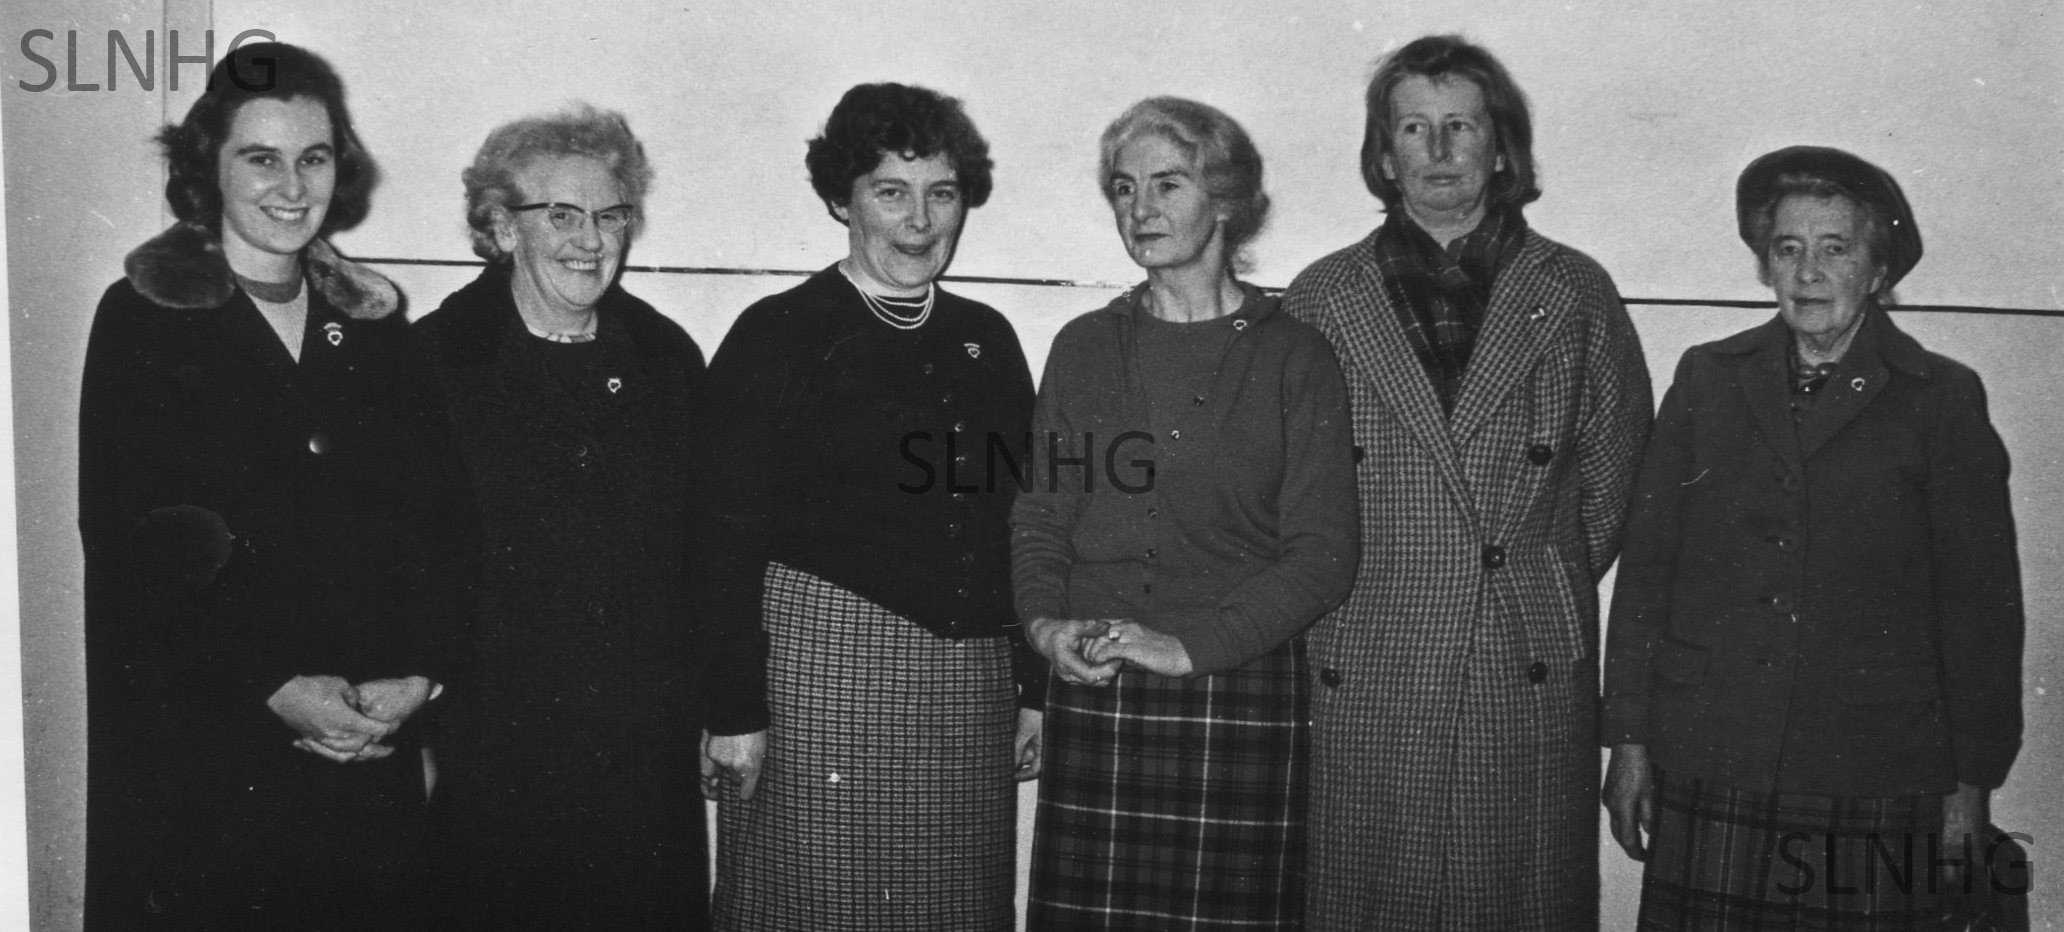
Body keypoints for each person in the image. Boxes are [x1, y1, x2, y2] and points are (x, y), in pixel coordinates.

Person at [78, 42, 473, 929]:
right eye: (262, 158)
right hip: (214, 745)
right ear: (208, 168)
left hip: (364, 741)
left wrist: (422, 674)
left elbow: (442, 521)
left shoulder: (374, 326)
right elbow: (133, 544)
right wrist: (272, 684)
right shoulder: (143, 318)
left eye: (314, 157)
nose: (293, 187)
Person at [1280, 34, 1653, 929]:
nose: (1440, 149)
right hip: (1367, 651)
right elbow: (1286, 492)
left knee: (1512, 901)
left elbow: (1614, 483)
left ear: (1501, 147)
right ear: (1384, 154)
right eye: (1415, 127)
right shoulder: (1321, 298)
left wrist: (1527, 578)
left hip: (1518, 658)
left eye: (1462, 125)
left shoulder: (1575, 291)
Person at [1601, 146, 2025, 929]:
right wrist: (1627, 741)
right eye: (1787, 248)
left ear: (1878, 268)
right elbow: (1646, 574)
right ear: (1765, 264)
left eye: (1836, 249)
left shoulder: (1941, 399)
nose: (1808, 272)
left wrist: (1971, 784)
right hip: (1712, 752)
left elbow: (1981, 613)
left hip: (1873, 766)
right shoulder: (1706, 379)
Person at [695, 82, 1037, 931]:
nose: (919, 221)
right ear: (839, 200)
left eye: (941, 193)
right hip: (818, 680)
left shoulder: (988, 339)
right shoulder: (779, 333)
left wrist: (1033, 689)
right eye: (891, 191)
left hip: (969, 689)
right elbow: (715, 539)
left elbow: (1020, 520)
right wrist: (732, 711)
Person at [1013, 97, 1358, 930]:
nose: (1141, 208)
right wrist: (1046, 628)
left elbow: (1324, 554)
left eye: (1168, 184)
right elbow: (1041, 517)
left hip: (1236, 685)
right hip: (1101, 680)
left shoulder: (1295, 357)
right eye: (1124, 188)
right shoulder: (1083, 348)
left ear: (1226, 200)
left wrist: (1187, 648)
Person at [411, 103, 709, 930]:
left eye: (611, 215)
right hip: (495, 750)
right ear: (503, 227)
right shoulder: (434, 361)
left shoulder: (667, 359)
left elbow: (700, 553)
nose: (591, 239)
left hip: (641, 754)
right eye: (562, 215)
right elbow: (405, 566)